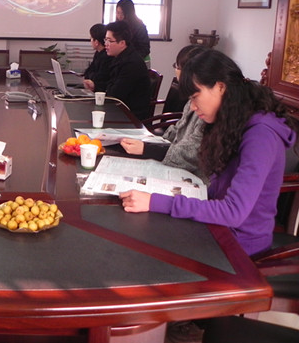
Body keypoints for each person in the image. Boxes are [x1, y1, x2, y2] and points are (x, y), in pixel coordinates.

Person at [119, 49, 298, 257]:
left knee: (144, 250)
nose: (193, 107)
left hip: (239, 246)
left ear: (220, 87)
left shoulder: (261, 135)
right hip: (215, 228)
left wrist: (156, 201)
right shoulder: (231, 120)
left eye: (196, 97)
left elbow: (233, 212)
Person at [120, 45, 209, 182]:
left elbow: (192, 154)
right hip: (176, 164)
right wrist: (153, 142)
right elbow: (177, 130)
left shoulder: (208, 110)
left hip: (193, 177)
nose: (192, 105)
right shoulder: (193, 100)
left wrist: (148, 149)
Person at [104, 21, 151, 120]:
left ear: (122, 43)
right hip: (119, 110)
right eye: (105, 40)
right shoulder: (121, 57)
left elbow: (115, 96)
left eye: (109, 41)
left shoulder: (131, 64)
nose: (106, 44)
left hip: (131, 117)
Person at [82, 23, 112, 92]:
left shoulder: (107, 56)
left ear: (96, 42)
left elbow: (100, 77)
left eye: (91, 38)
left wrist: (91, 76)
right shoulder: (98, 53)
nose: (90, 40)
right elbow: (88, 72)